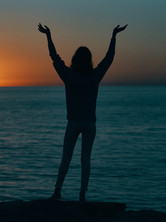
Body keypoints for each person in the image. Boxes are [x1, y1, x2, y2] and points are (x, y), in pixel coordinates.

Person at [38, 23, 127, 201]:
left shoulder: (69, 75)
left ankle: (57, 192)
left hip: (73, 122)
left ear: (75, 59)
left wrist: (48, 35)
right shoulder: (95, 76)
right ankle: (82, 195)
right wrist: (113, 36)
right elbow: (109, 58)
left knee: (66, 159)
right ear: (89, 60)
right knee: (85, 159)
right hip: (89, 124)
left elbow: (54, 57)